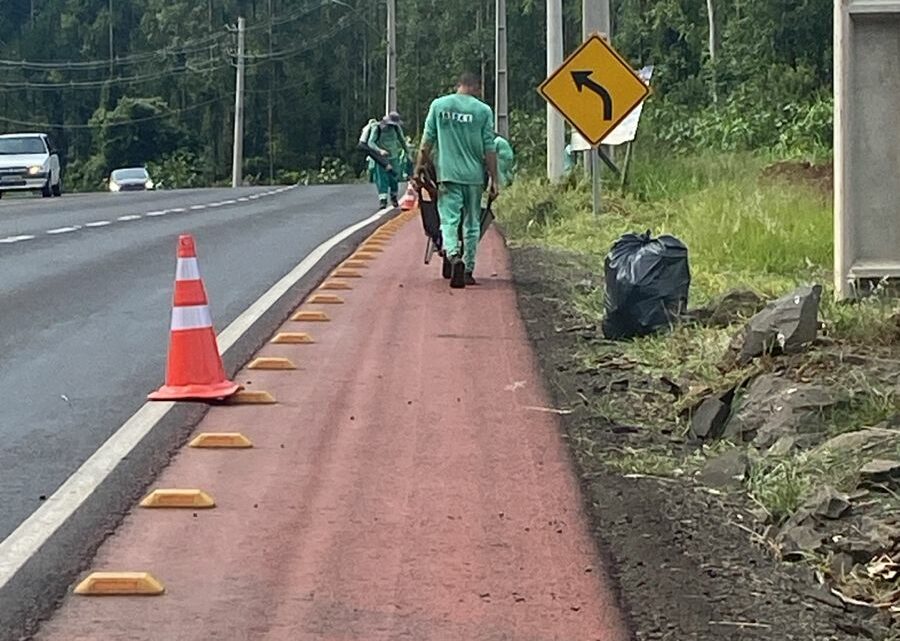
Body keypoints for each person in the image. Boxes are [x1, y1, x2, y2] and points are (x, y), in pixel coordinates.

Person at [415, 72, 499, 289]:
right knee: (472, 223)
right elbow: (490, 148)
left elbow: (426, 143)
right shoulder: (483, 111)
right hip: (474, 177)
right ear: (476, 88)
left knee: (449, 220)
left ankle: (453, 255)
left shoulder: (439, 105)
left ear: (458, 85)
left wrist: (418, 171)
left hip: (448, 175)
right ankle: (469, 269)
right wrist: (495, 180)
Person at [366, 111, 411, 208]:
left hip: (393, 157)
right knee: (382, 179)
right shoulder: (377, 128)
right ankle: (383, 200)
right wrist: (379, 150)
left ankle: (394, 197)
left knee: (394, 178)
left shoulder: (396, 128)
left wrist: (408, 153)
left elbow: (402, 140)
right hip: (381, 158)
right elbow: (371, 143)